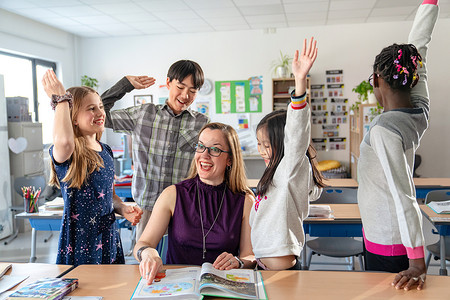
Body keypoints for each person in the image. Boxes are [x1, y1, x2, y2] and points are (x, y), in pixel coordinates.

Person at [357, 0, 439, 291]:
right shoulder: (420, 108)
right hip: (384, 233)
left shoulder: (384, 131)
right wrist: (429, 4)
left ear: (377, 80)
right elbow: (420, 47)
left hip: (388, 243)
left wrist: (417, 262)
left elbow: (404, 196)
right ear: (412, 77)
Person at [42, 70, 143, 266]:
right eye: (91, 109)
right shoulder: (68, 152)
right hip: (81, 242)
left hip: (108, 237)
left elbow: (109, 195)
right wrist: (61, 100)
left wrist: (122, 208)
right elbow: (64, 141)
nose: (100, 113)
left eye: (101, 107)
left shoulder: (105, 150)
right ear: (73, 118)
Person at [134, 122, 255, 284]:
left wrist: (239, 262)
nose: (205, 155)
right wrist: (148, 252)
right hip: (176, 286)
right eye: (200, 146)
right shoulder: (172, 194)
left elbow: (250, 256)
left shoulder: (245, 200)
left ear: (230, 160)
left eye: (215, 149)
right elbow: (143, 243)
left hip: (222, 285)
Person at [101, 60, 209, 240]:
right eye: (180, 87)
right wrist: (125, 84)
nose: (185, 95)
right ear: (168, 83)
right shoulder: (143, 114)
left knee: (182, 266)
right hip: (147, 210)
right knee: (145, 262)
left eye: (192, 91)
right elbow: (100, 113)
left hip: (184, 209)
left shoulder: (202, 123)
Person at [249, 37, 325, 271]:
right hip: (266, 263)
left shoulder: (289, 166)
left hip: (279, 268)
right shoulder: (276, 173)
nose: (261, 150)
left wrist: (299, 82)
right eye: (259, 144)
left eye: (267, 144)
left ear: (283, 143)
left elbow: (296, 134)